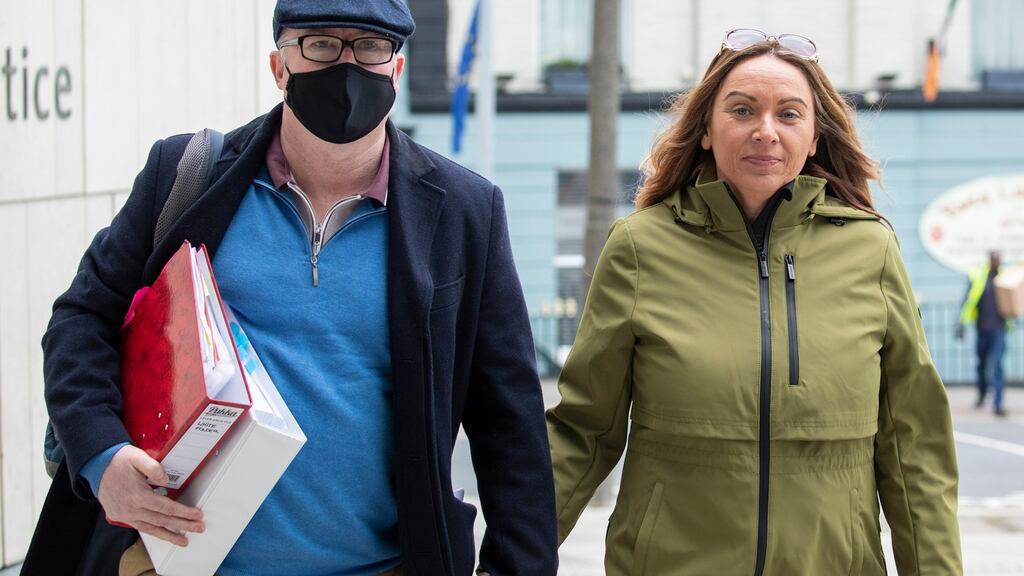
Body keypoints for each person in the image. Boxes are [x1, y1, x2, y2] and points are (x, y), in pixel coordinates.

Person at [23, 2, 558, 575]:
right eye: (320, 45)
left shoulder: (464, 213)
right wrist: (103, 456)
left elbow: (511, 426)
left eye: (370, 47)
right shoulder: (187, 175)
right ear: (279, 68)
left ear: (396, 70)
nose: (347, 67)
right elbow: (81, 320)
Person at [547, 28, 962, 575]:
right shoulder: (640, 247)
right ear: (706, 131)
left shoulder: (871, 248)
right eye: (742, 110)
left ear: (813, 137)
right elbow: (583, 430)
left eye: (789, 114)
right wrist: (512, 556)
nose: (765, 131)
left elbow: (914, 447)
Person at [958, 250, 1010, 417]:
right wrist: (960, 323)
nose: (996, 262)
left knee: (997, 364)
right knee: (981, 364)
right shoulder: (979, 276)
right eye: (994, 259)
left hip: (999, 329)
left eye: (998, 259)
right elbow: (967, 299)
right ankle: (982, 393)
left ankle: (998, 403)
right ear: (989, 260)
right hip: (982, 328)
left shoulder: (1005, 278)